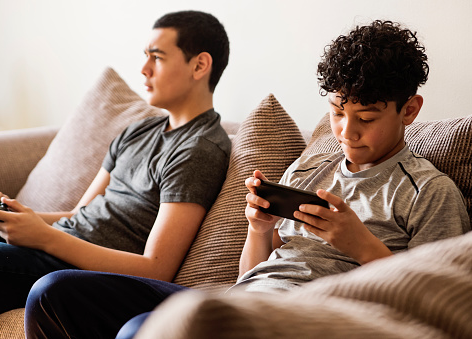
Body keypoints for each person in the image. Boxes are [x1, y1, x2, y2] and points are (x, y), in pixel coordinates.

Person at [24, 20, 470, 339]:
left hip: (304, 314)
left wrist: (360, 245)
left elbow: (434, 301)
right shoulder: (311, 169)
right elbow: (249, 274)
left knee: (141, 330)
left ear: (409, 110)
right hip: (243, 296)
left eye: (366, 118)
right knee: (54, 291)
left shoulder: (430, 192)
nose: (346, 133)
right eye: (337, 113)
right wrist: (259, 229)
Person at [0, 10, 231, 321]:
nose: (144, 69)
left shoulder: (199, 149)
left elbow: (157, 267)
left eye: (157, 58)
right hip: (54, 243)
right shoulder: (138, 131)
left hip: (75, 269)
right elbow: (79, 214)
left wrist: (45, 237)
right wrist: (17, 217)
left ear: (199, 65)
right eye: (145, 56)